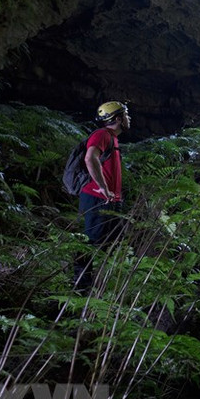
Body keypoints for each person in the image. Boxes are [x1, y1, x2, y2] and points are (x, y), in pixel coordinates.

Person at [74, 100, 131, 292]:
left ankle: (104, 285)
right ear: (117, 118)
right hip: (96, 198)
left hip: (110, 200)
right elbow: (90, 158)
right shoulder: (102, 134)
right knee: (89, 241)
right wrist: (103, 187)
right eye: (126, 114)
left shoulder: (112, 139)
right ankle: (80, 289)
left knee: (115, 241)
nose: (128, 118)